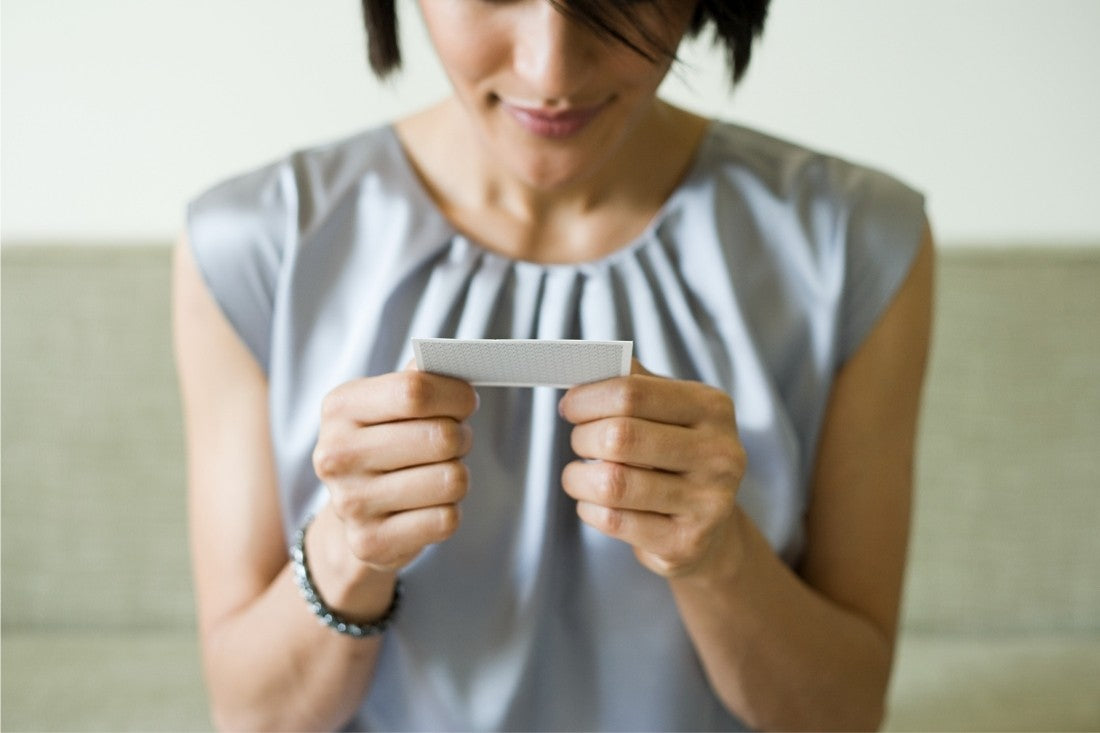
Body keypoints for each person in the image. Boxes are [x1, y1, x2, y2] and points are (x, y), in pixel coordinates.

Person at [173, 1, 934, 730]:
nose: (550, 71)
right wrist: (346, 549)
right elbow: (251, 714)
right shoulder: (255, 245)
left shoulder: (855, 245)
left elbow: (844, 713)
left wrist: (720, 556)